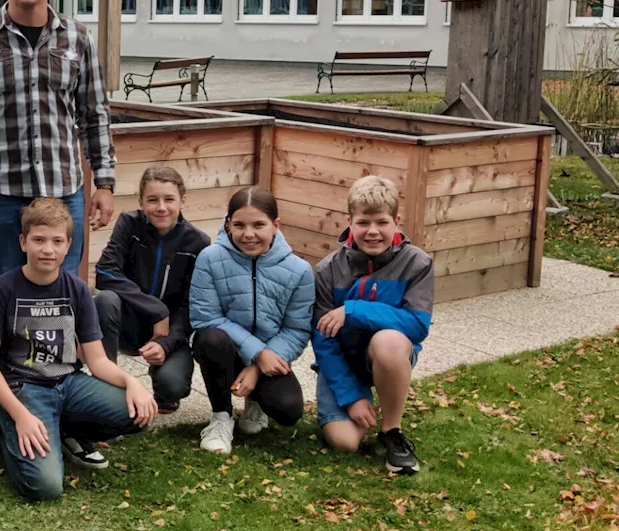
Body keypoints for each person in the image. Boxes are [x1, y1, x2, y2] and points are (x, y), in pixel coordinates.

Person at [0, 197, 157, 501]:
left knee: (138, 411)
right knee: (45, 487)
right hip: (25, 389)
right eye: (39, 240)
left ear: (68, 245)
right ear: (23, 242)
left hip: (68, 384)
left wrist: (132, 383)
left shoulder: (77, 289)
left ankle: (61, 428)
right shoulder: (3, 290)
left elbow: (97, 360)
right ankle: (2, 421)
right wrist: (20, 415)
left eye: (57, 241)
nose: (48, 249)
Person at [0, 0, 116, 284]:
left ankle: (56, 343)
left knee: (61, 291)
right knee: (3, 289)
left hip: (63, 192)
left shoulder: (77, 37)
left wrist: (104, 183)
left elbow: (95, 114)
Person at [312, 176, 433, 476]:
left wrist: (354, 310)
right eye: (364, 222)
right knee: (346, 442)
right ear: (349, 222)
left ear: (397, 221)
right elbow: (323, 342)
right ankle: (357, 401)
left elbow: (417, 325)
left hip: (388, 353)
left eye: (382, 222)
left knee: (389, 342)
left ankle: (391, 430)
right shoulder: (327, 270)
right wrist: (351, 398)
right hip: (344, 360)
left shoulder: (417, 264)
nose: (373, 231)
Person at [188, 186, 314, 455]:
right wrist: (256, 352)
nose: (248, 234)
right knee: (210, 337)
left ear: (276, 225)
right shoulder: (210, 259)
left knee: (288, 410)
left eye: (259, 225)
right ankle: (221, 417)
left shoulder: (299, 270)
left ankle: (256, 403)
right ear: (228, 225)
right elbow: (205, 317)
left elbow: (297, 328)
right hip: (225, 350)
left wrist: (258, 365)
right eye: (239, 225)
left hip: (271, 355)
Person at [95, 166, 210, 415]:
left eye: (169, 199)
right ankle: (107, 391)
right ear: (140, 201)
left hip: (167, 331)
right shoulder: (129, 223)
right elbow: (104, 272)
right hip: (129, 322)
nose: (161, 207)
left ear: (182, 200)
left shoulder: (198, 243)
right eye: (152, 200)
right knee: (105, 300)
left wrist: (166, 344)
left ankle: (163, 385)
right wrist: (157, 310)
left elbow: (191, 305)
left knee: (173, 386)